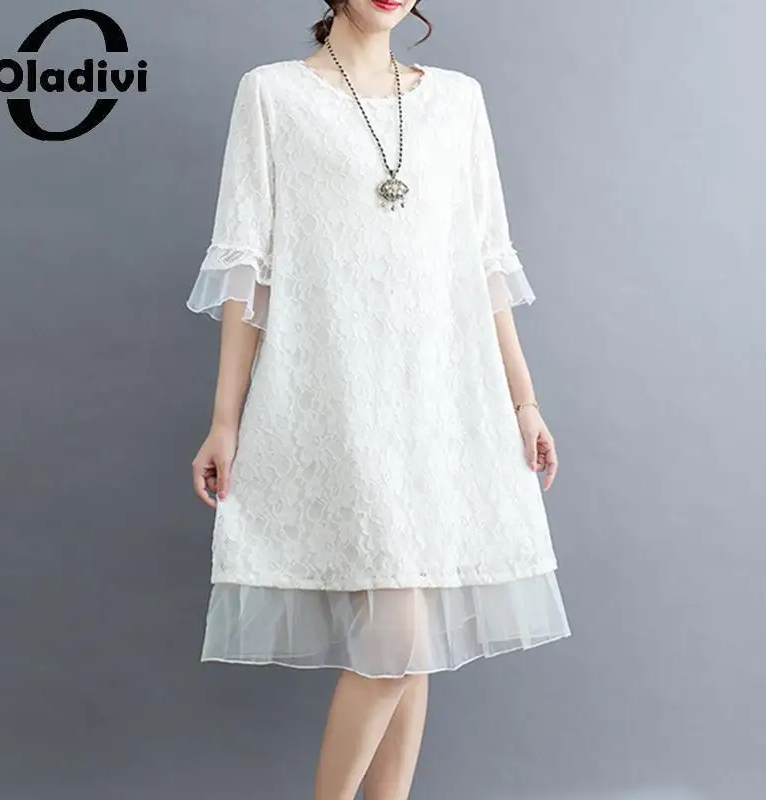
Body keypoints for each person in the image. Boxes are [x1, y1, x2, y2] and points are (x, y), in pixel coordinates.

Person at [186, 1, 571, 798]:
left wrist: (524, 401)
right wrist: (224, 421)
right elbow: (247, 272)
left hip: (441, 399)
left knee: (413, 637)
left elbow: (485, 265)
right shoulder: (272, 94)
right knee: (397, 636)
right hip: (338, 396)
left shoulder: (458, 100)